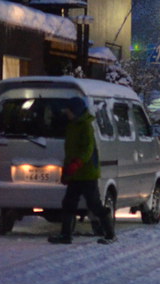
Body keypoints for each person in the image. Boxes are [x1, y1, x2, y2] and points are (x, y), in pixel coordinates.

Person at [49, 96, 116, 245]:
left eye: (69, 111)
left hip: (87, 173)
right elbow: (70, 150)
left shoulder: (85, 125)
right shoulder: (72, 125)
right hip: (75, 173)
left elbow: (87, 149)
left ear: (76, 111)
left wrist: (77, 163)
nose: (67, 114)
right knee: (68, 204)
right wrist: (66, 170)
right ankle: (65, 235)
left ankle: (110, 233)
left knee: (94, 205)